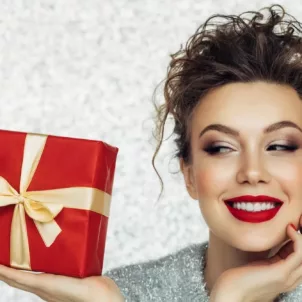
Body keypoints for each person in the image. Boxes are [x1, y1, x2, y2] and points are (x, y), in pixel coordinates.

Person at [1, 3, 302, 302]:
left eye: (280, 146)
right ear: (189, 176)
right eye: (221, 148)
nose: (251, 171)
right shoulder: (117, 295)